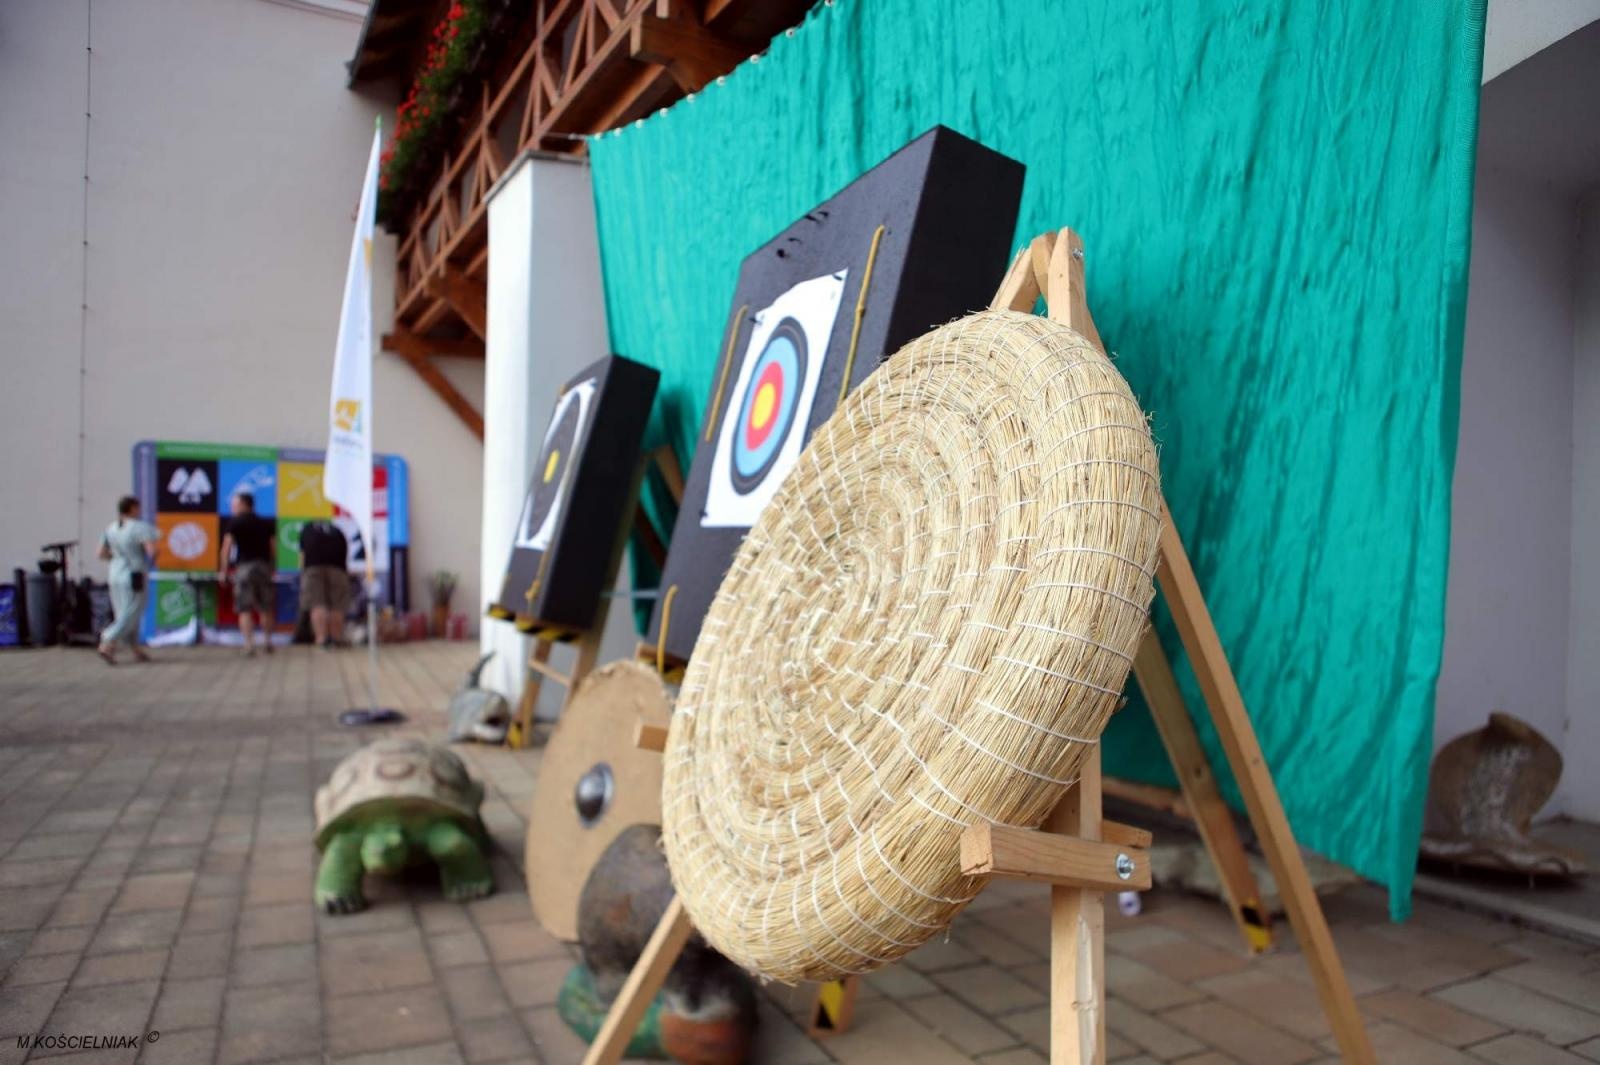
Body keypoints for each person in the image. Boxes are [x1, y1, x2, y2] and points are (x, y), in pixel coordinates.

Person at [96, 495, 159, 665]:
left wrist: (117, 559)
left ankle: (135, 648)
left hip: (115, 573)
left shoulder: (111, 527)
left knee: (123, 612)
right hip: (134, 574)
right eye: (137, 507)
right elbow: (151, 551)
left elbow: (101, 553)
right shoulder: (139, 528)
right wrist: (148, 560)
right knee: (133, 611)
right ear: (132, 508)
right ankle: (108, 640)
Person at [219, 491, 275, 656]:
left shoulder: (235, 523)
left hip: (244, 568)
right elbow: (273, 548)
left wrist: (223, 570)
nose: (232, 508)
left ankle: (249, 645)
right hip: (263, 567)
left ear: (244, 504)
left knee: (244, 608)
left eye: (235, 504)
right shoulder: (265, 523)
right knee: (266, 607)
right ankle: (267, 642)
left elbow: (226, 548)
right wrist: (271, 568)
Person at [298, 519, 349, 649]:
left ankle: (321, 639)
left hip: (313, 567)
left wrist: (302, 572)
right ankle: (336, 638)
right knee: (337, 605)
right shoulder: (337, 530)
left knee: (317, 604)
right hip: (338, 568)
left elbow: (302, 554)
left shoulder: (307, 529)